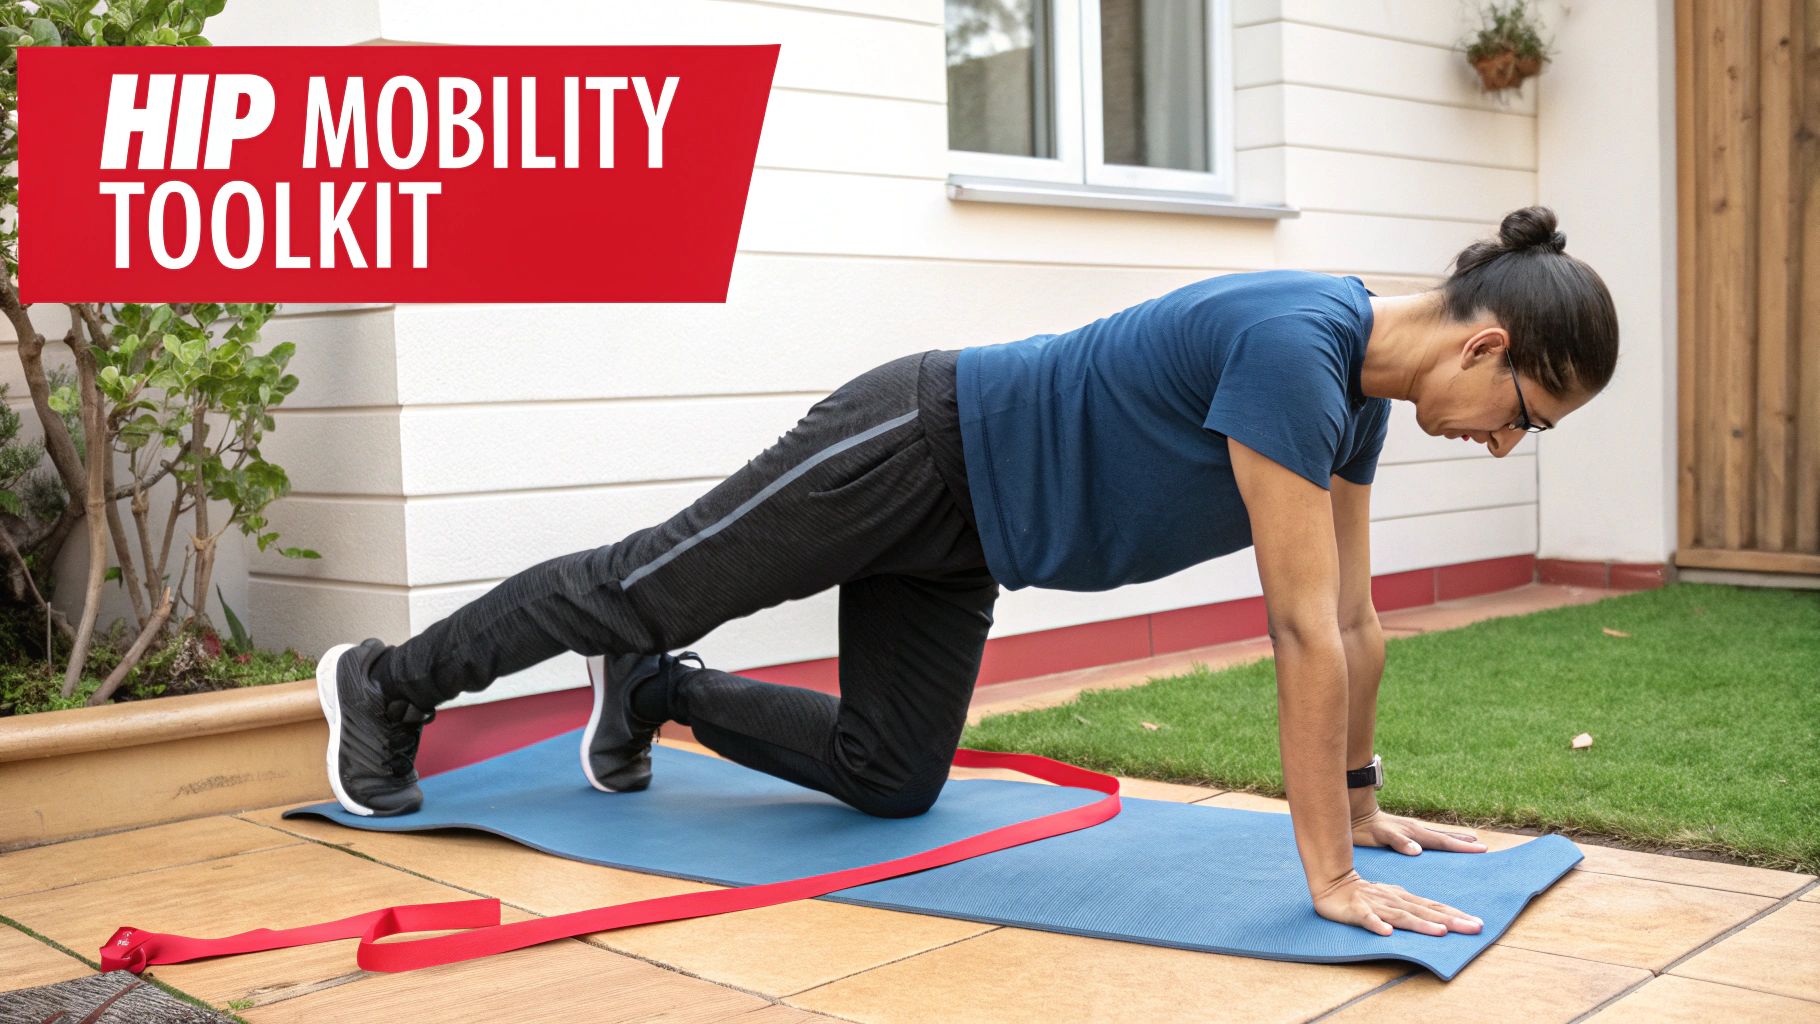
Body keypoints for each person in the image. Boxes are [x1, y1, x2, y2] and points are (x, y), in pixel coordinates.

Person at [314, 205, 1618, 940]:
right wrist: (1326, 875)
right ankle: (385, 683)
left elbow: (1354, 614)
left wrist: (1362, 794)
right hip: (913, 447)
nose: (1507, 444)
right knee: (641, 578)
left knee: (893, 780)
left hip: (967, 541)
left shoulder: (1354, 408)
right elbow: (1298, 635)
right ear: (1488, 344)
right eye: (1525, 414)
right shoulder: (1297, 348)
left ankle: (658, 693)